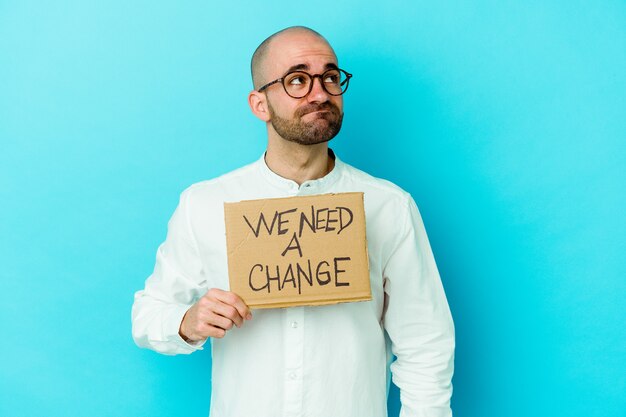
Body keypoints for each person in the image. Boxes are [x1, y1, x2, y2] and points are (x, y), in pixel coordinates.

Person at [132, 26, 455, 417]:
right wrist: (188, 321)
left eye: (330, 78)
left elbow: (426, 344)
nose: (320, 93)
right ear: (259, 104)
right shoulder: (204, 204)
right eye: (297, 80)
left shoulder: (388, 206)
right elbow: (147, 316)